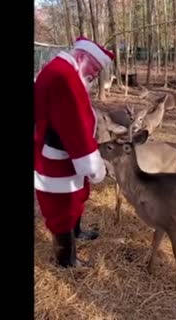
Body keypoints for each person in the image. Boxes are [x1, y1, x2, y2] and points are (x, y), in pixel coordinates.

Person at [33, 36, 115, 267]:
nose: (96, 75)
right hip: (57, 157)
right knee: (62, 208)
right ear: (81, 57)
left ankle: (76, 233)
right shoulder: (64, 78)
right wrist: (93, 165)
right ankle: (66, 261)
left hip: (62, 155)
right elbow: (74, 127)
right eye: (95, 68)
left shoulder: (62, 72)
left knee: (75, 197)